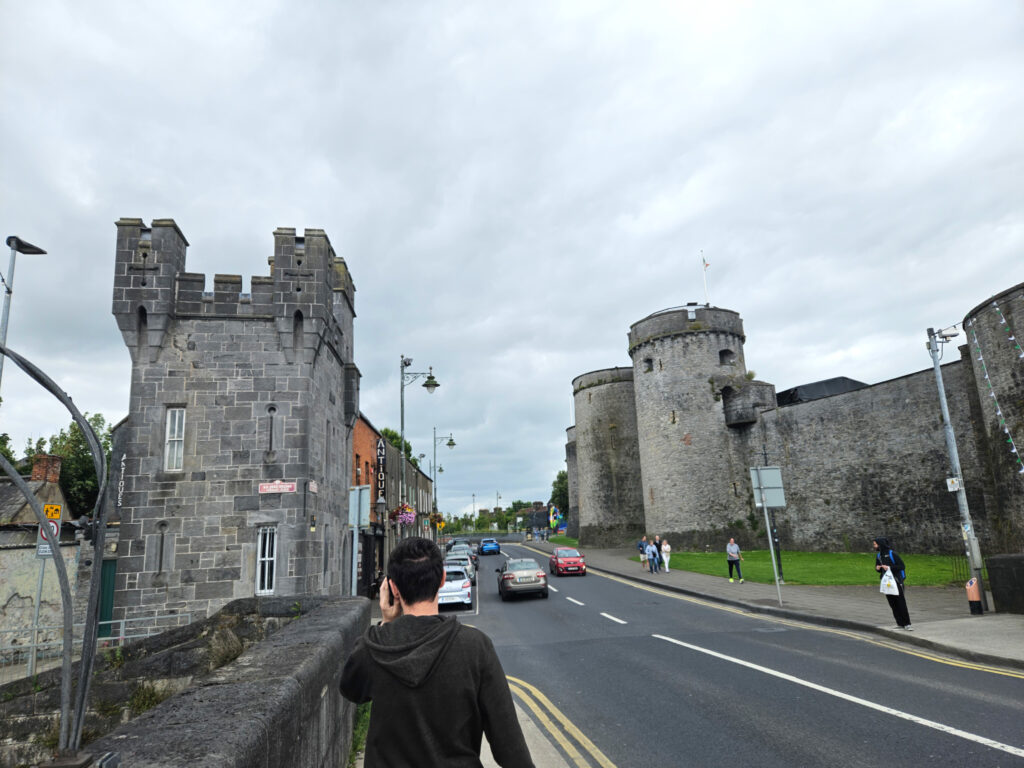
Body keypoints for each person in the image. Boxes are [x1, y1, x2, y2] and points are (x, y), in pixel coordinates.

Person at [339, 537, 535, 767]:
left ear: (393, 588)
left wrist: (385, 624)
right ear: (442, 579)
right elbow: (510, 747)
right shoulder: (475, 647)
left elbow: (350, 689)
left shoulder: (373, 647)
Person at [874, 536, 912, 630]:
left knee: (901, 603)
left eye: (875, 544)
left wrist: (889, 567)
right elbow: (878, 567)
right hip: (886, 583)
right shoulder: (879, 556)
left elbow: (902, 566)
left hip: (897, 581)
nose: (874, 546)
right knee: (893, 604)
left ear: (880, 544)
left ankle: (907, 624)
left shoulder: (892, 554)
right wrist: (877, 568)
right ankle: (900, 623)